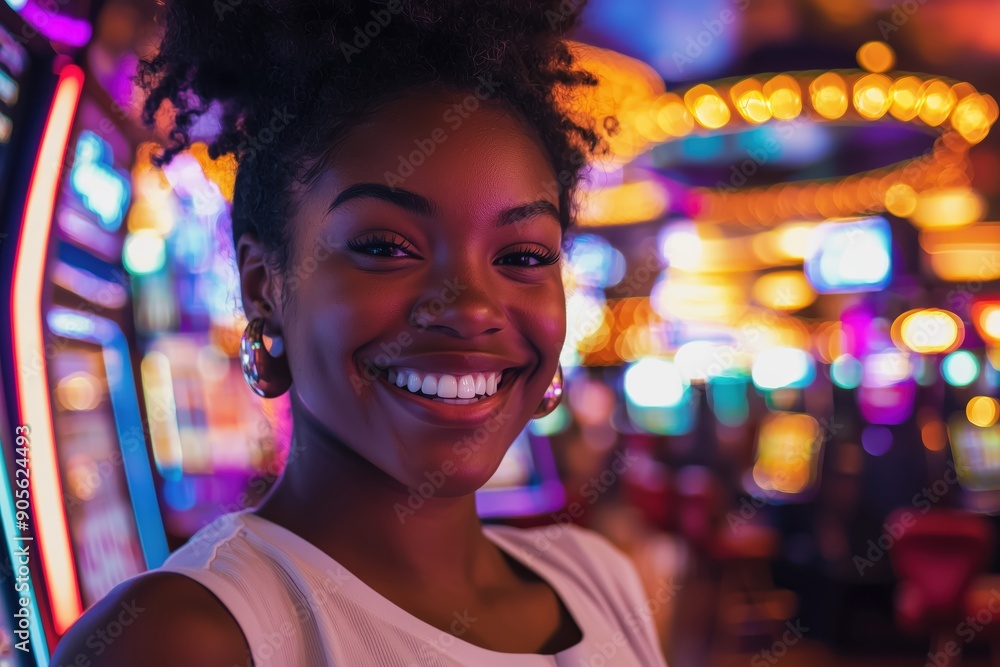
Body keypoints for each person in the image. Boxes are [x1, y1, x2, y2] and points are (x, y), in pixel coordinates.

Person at [52, 1, 669, 665]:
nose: (469, 309)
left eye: (522, 256)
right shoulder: (182, 639)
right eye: (386, 245)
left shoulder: (601, 578)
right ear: (265, 284)